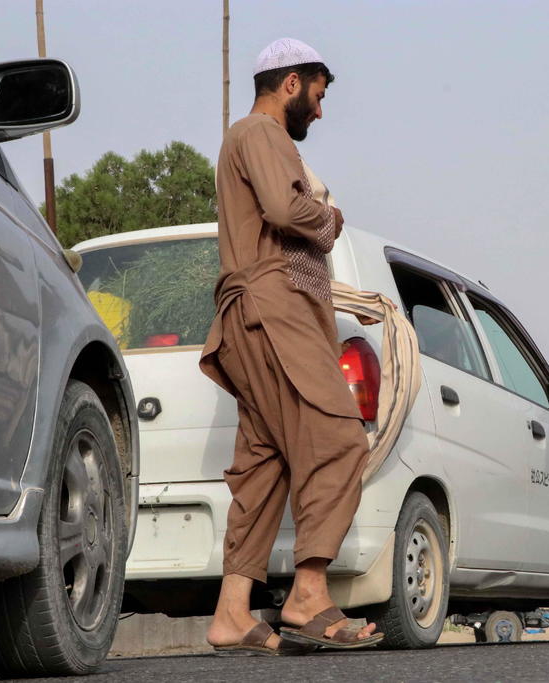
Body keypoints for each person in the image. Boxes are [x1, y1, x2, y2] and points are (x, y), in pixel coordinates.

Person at [199, 37, 383, 655]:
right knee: (340, 440)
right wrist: (329, 220)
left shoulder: (248, 139)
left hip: (256, 314)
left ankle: (232, 613)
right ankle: (308, 594)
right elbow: (283, 208)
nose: (320, 112)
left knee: (266, 463)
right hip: (274, 308)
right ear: (292, 83)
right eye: (319, 96)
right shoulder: (261, 132)